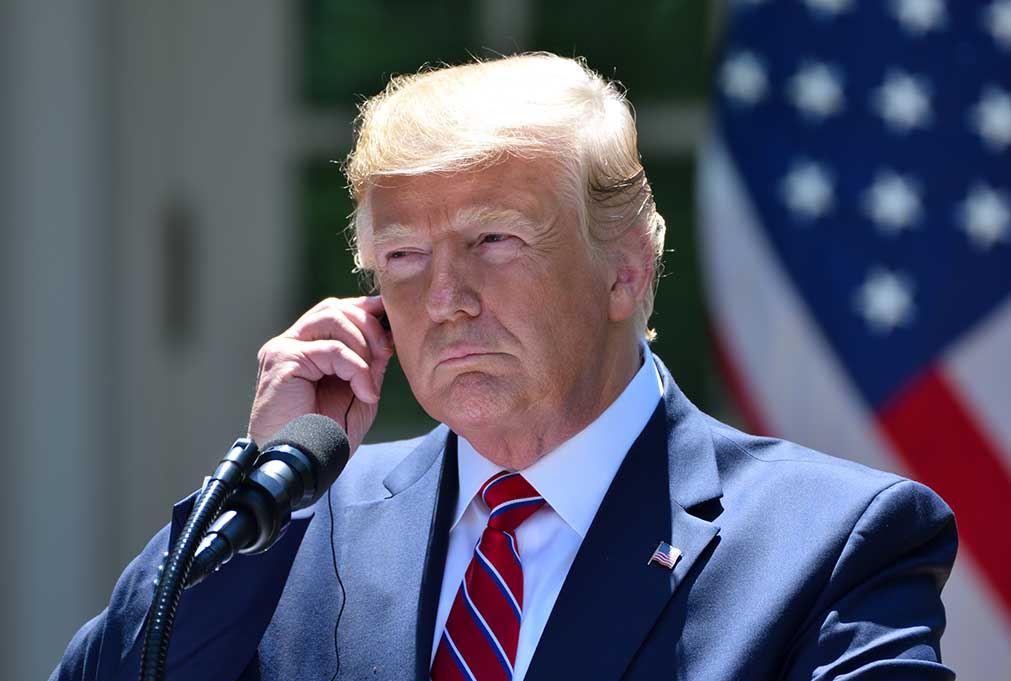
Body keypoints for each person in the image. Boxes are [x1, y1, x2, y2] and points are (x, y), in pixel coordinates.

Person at [52, 53, 957, 681]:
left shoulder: (829, 541)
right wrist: (267, 473)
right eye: (403, 257)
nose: (446, 297)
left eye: (494, 240)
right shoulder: (301, 522)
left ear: (626, 269)